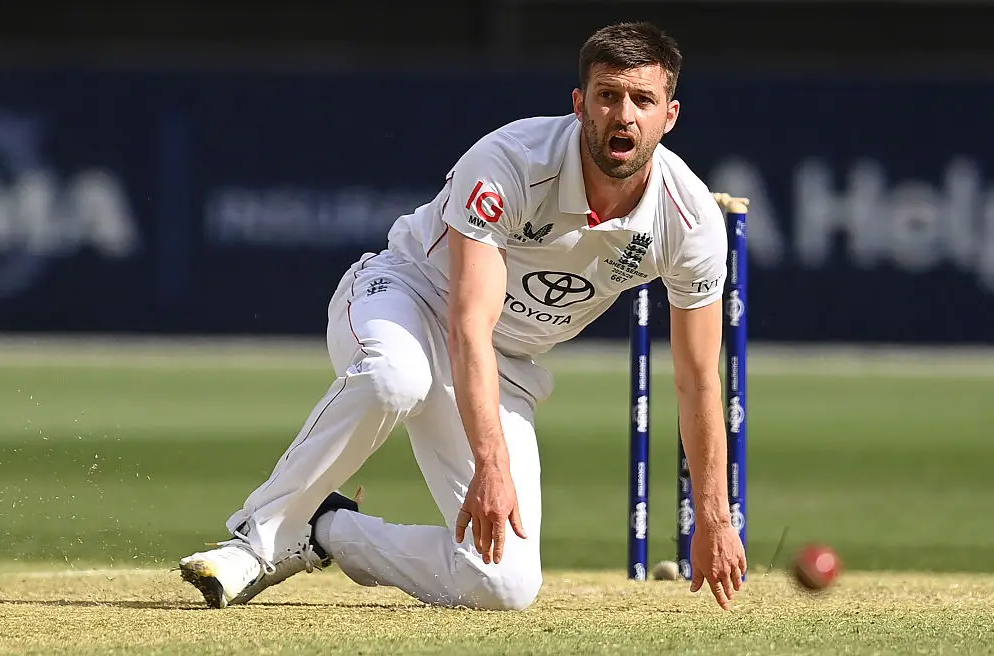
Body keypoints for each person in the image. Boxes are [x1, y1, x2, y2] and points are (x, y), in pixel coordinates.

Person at [179, 20, 747, 612]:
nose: (623, 115)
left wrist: (713, 516)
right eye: (607, 95)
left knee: (503, 585)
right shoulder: (511, 162)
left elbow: (697, 377)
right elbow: (469, 323)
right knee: (393, 378)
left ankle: (324, 529)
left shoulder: (690, 221)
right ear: (580, 105)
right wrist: (490, 462)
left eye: (642, 100)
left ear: (670, 115)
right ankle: (256, 537)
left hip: (507, 364)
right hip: (405, 297)